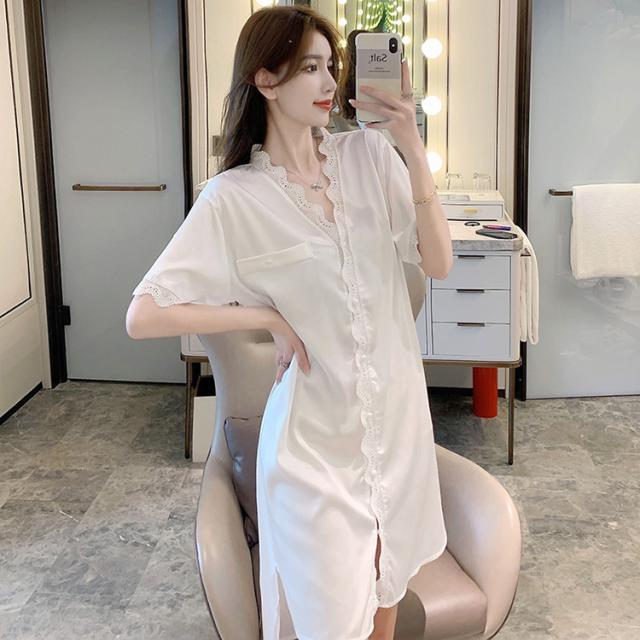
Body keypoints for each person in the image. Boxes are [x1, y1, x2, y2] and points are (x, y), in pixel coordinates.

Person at [126, 5, 453, 640]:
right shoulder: (233, 198)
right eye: (310, 68)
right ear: (265, 80)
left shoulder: (370, 158)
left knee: (386, 590)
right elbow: (144, 314)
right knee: (331, 620)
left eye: (331, 66)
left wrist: (411, 144)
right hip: (312, 446)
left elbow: (437, 262)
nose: (330, 83)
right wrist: (266, 316)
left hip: (395, 425)